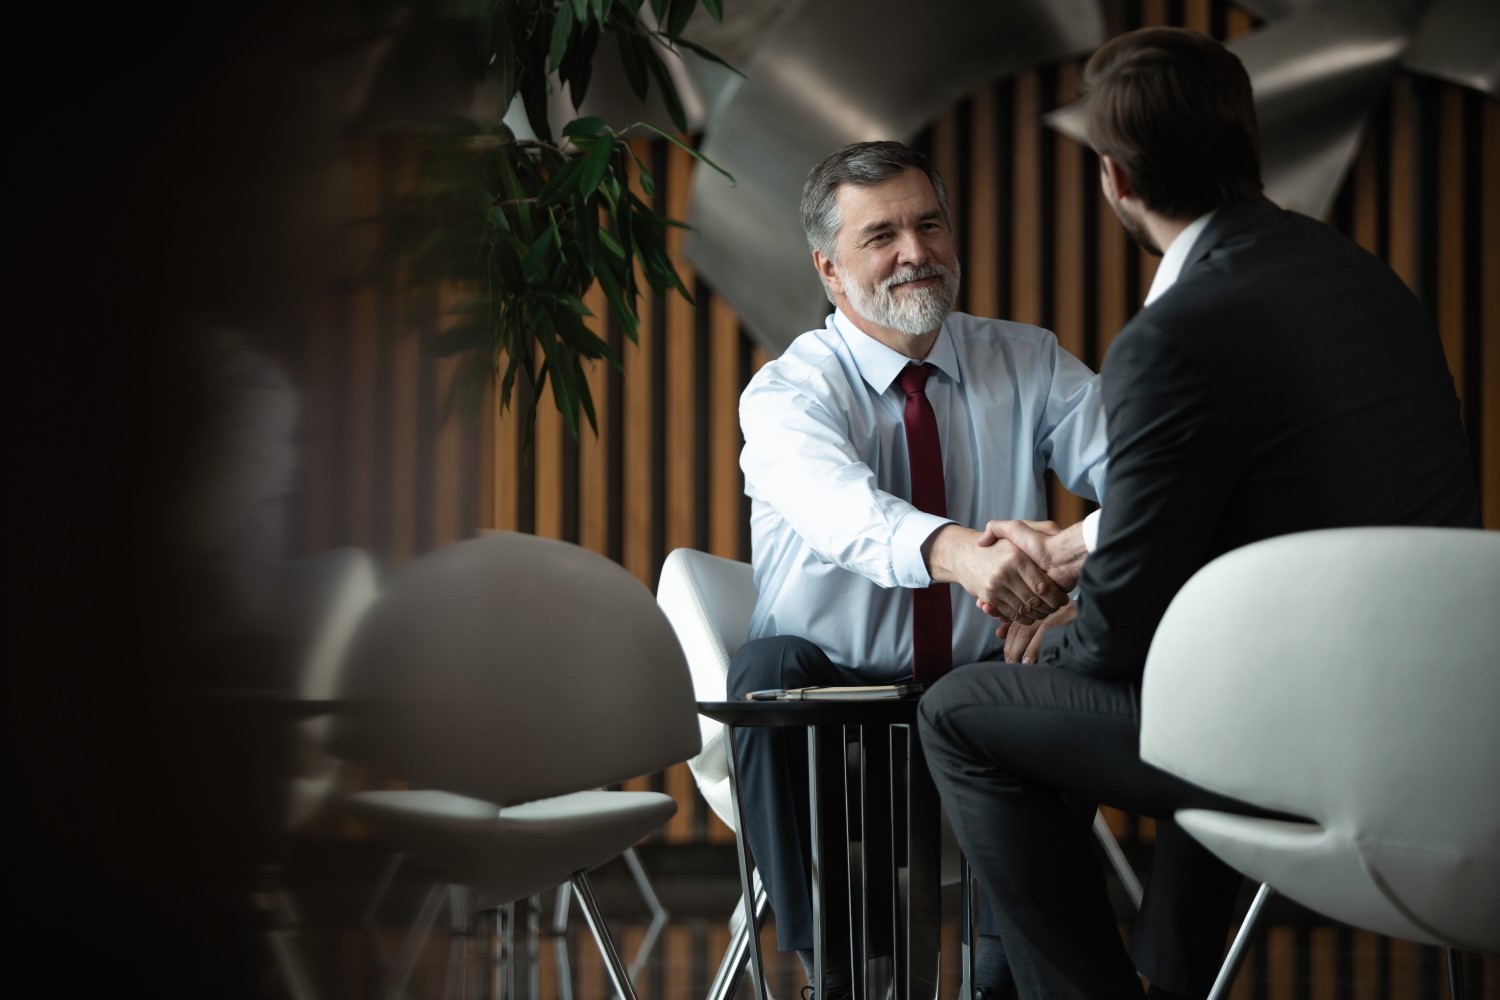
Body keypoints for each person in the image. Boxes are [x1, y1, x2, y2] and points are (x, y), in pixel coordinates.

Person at [918, 27, 1480, 1000]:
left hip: (1303, 746)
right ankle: (1164, 982)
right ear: (1244, 141)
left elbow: (1112, 641)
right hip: (1450, 726)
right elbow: (1264, 486)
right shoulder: (1363, 281)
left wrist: (1050, 624)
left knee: (966, 708)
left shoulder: (1172, 336)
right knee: (1178, 691)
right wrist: (1071, 548)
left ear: (1115, 177)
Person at [728, 140, 1111, 998]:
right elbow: (840, 512)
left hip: (983, 701)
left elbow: (1154, 483)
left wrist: (1076, 573)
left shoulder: (1028, 359)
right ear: (829, 269)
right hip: (841, 725)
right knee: (765, 670)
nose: (915, 252)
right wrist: (959, 554)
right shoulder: (788, 392)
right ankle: (840, 970)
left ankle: (1010, 970)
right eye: (882, 235)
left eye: (929, 224)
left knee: (1076, 646)